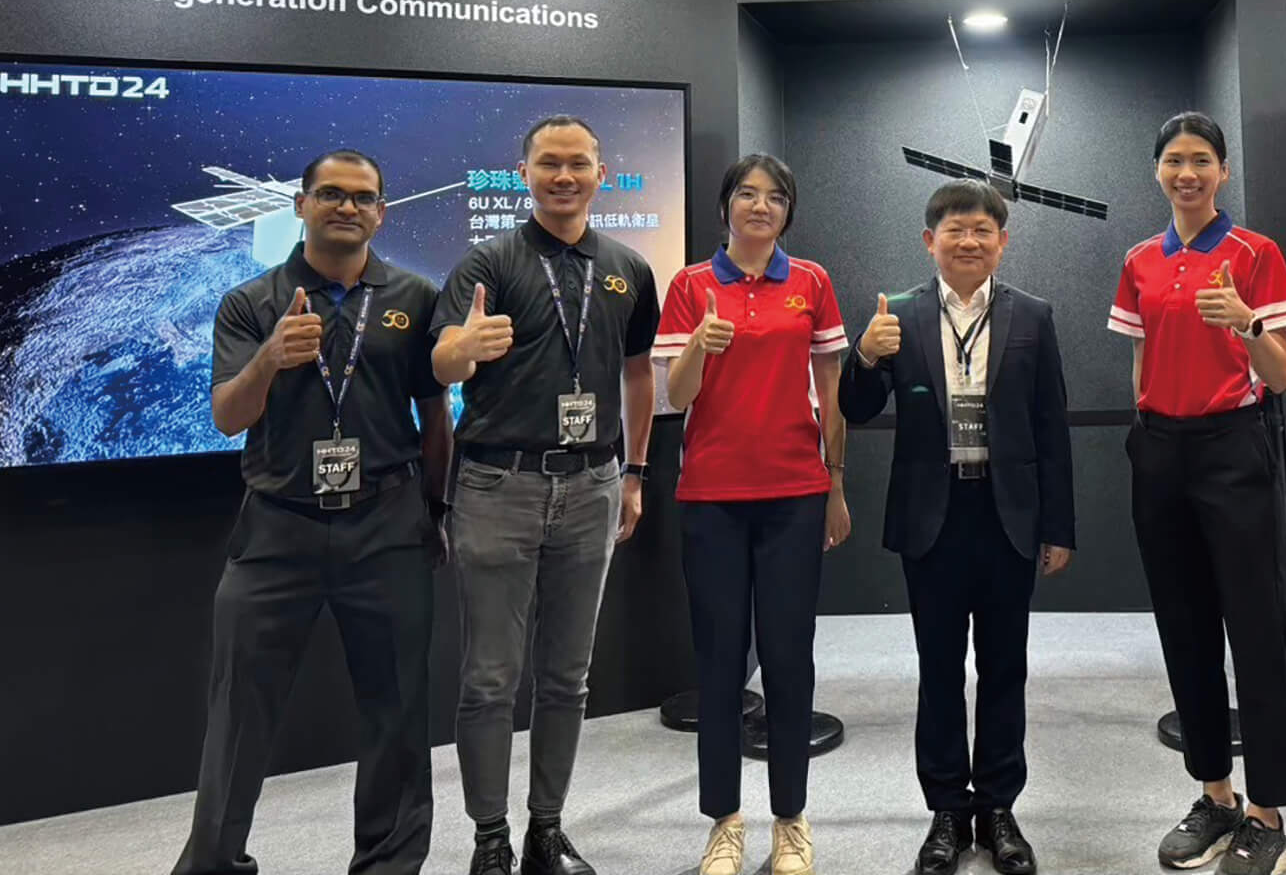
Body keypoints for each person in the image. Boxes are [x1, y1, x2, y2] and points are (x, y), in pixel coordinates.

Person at [172, 149, 453, 875]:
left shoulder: (416, 297)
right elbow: (227, 417)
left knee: (397, 710)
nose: (346, 207)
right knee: (239, 713)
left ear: (381, 213)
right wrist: (269, 358)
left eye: (362, 197)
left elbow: (435, 417)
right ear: (300, 205)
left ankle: (388, 864)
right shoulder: (252, 302)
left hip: (387, 524)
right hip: (277, 525)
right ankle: (213, 863)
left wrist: (434, 510)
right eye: (330, 194)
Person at [431, 116, 659, 875]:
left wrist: (634, 472)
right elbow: (443, 361)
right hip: (499, 485)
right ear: (523, 172)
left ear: (601, 174)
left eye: (578, 164)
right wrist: (460, 353)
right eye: (549, 163)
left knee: (567, 677)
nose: (564, 176)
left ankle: (546, 831)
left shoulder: (627, 268)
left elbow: (637, 374)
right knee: (490, 679)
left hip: (593, 484)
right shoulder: (488, 262)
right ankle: (490, 839)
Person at [839, 179, 1075, 875]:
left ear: (1002, 242)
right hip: (932, 518)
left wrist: (1058, 526)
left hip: (1007, 516)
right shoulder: (900, 314)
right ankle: (946, 809)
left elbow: (1051, 428)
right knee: (938, 669)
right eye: (955, 230)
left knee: (1006, 667)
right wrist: (865, 354)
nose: (969, 241)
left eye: (982, 231)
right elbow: (855, 407)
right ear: (929, 240)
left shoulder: (1033, 315)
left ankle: (999, 808)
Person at [1106, 113, 1286, 875]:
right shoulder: (1139, 260)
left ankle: (1267, 813)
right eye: (1173, 161)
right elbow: (1141, 361)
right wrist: (1146, 430)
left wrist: (1246, 322)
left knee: (1254, 628)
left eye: (1200, 161)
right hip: (1160, 450)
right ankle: (1215, 795)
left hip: (1232, 446)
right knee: (1182, 626)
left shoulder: (1254, 253)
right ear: (1157, 170)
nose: (1186, 173)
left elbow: (1280, 375)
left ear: (1222, 170)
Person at [652, 154, 851, 875]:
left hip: (795, 493)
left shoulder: (812, 282)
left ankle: (790, 819)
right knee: (719, 661)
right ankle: (724, 822)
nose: (760, 206)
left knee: (790, 658)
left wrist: (835, 485)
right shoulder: (690, 285)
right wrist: (698, 349)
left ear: (788, 212)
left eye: (774, 197)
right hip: (711, 497)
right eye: (746, 194)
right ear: (725, 207)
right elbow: (674, 396)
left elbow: (831, 393)